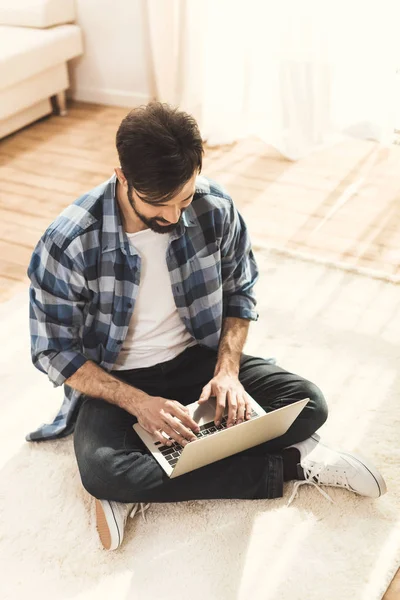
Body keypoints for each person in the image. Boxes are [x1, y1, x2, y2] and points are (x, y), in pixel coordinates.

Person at [27, 102, 387, 551]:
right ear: (122, 177)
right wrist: (139, 403)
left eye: (185, 198)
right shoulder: (69, 242)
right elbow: (54, 351)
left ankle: (143, 483)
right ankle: (291, 465)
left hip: (200, 362)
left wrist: (228, 371)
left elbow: (241, 290)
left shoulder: (213, 207)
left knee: (307, 404)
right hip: (118, 381)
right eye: (162, 204)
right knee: (103, 470)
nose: (177, 217)